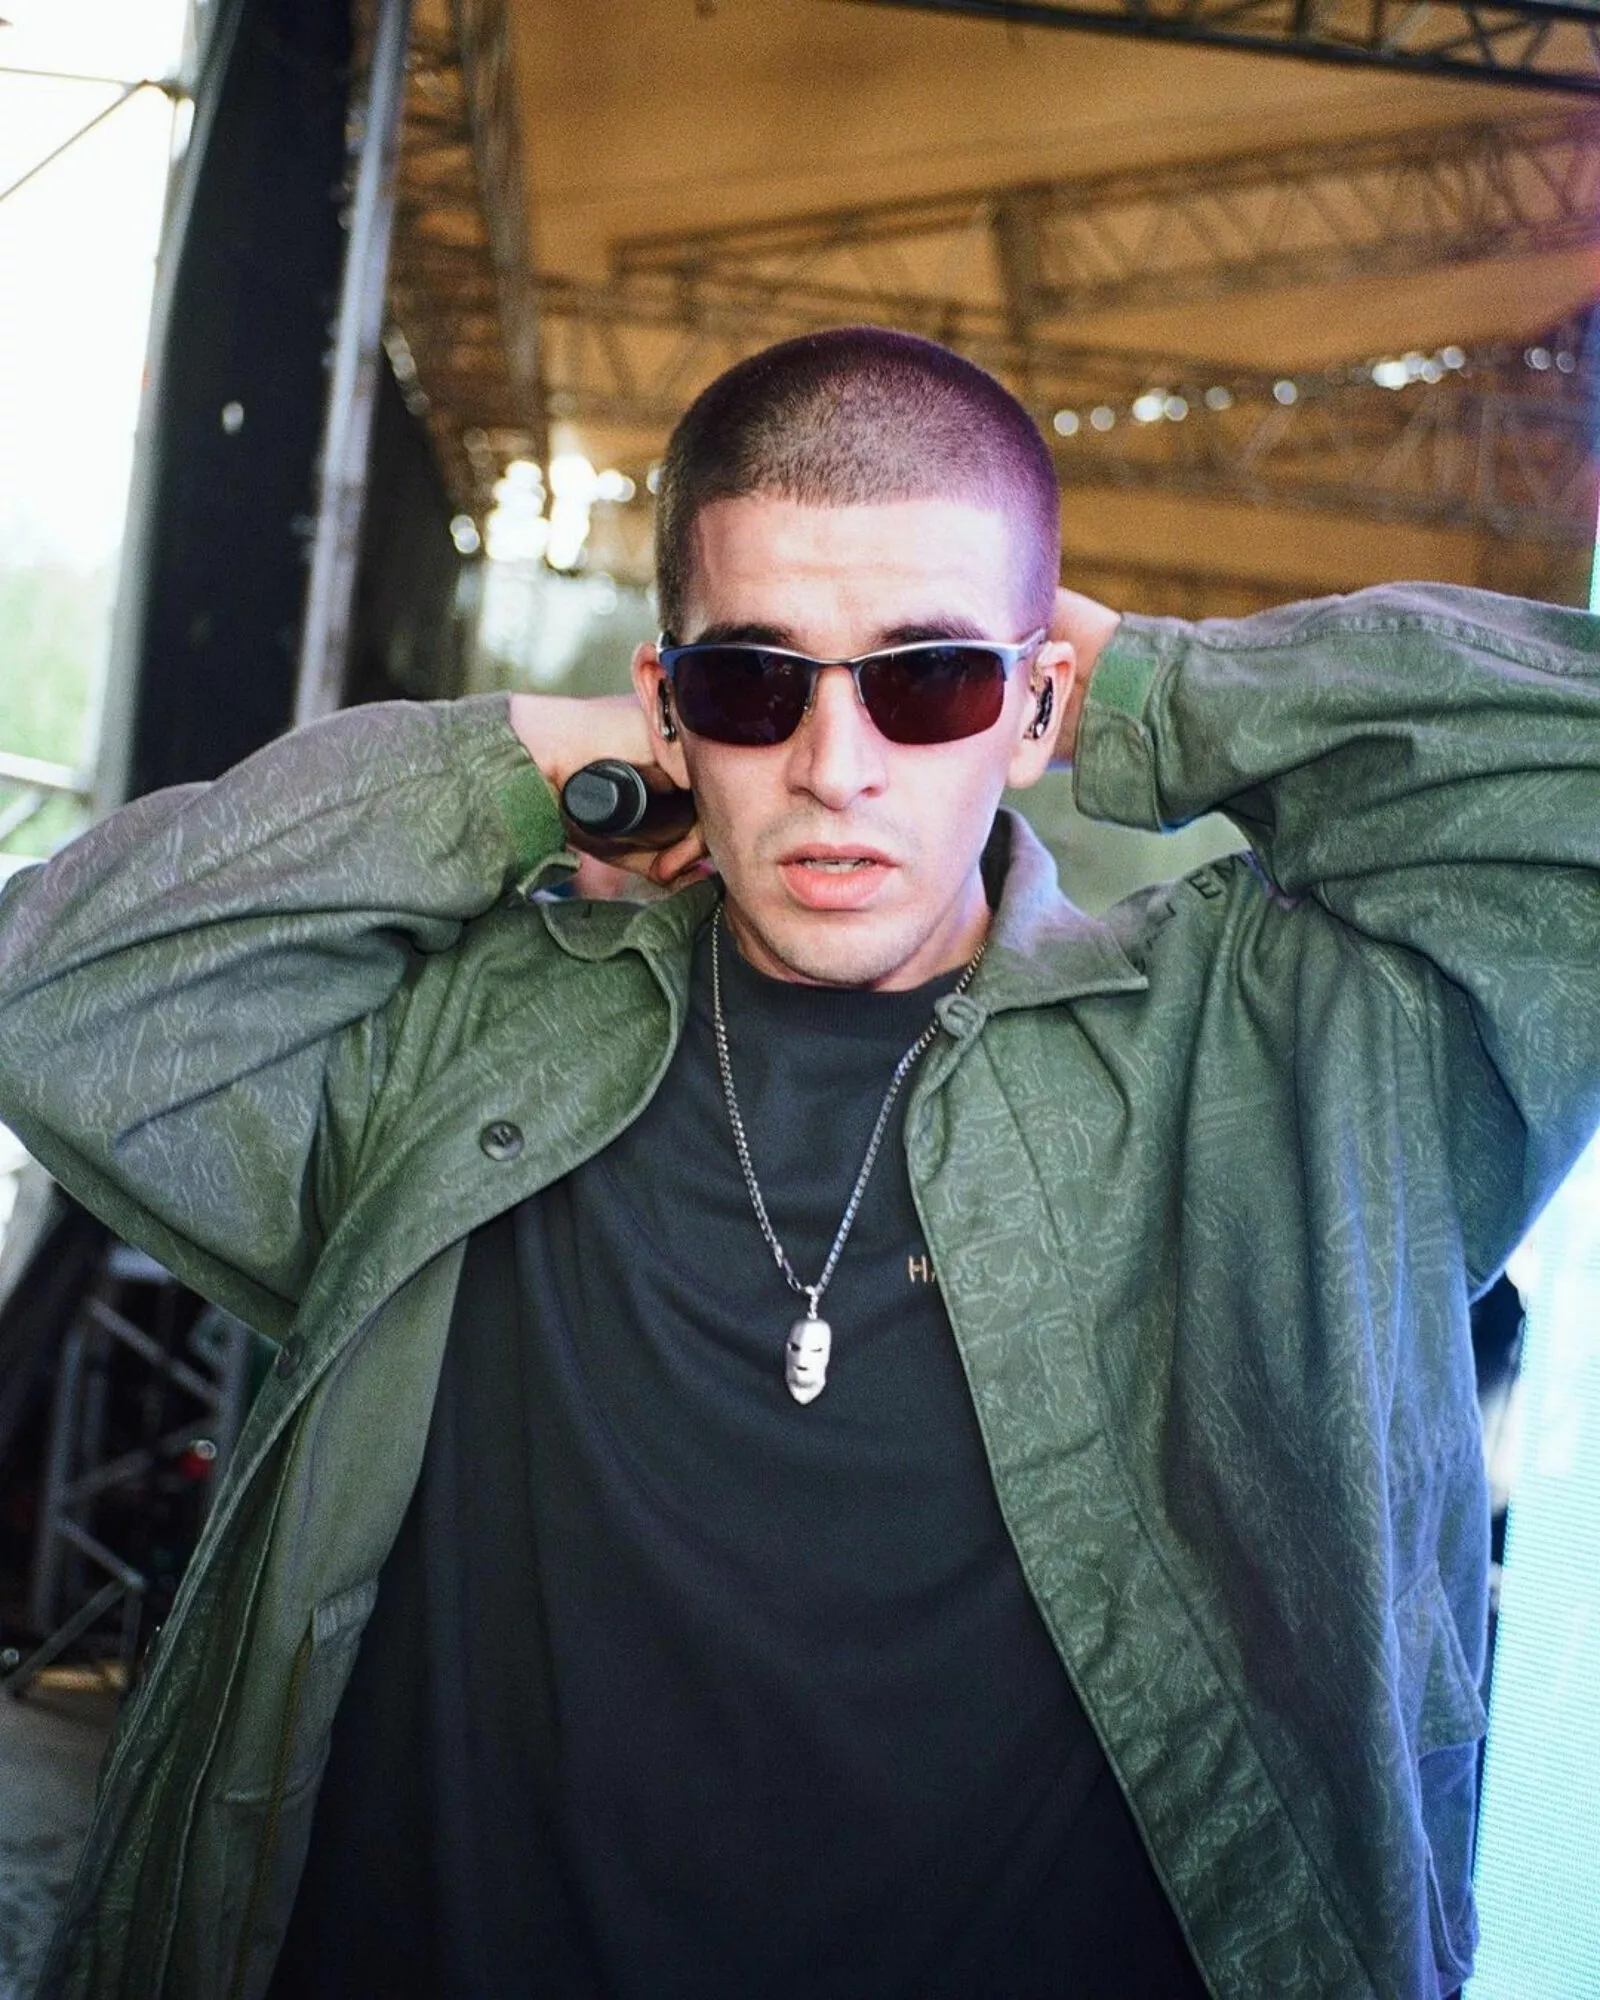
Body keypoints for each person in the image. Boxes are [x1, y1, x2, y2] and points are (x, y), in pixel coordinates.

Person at [1, 326, 1597, 2000]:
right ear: (667, 706)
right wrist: (521, 770)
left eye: (931, 679)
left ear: (1035, 702)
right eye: (754, 684)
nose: (837, 769)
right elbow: (57, 1001)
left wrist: (1162, 696)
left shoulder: (1285, 1067)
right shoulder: (469, 1043)